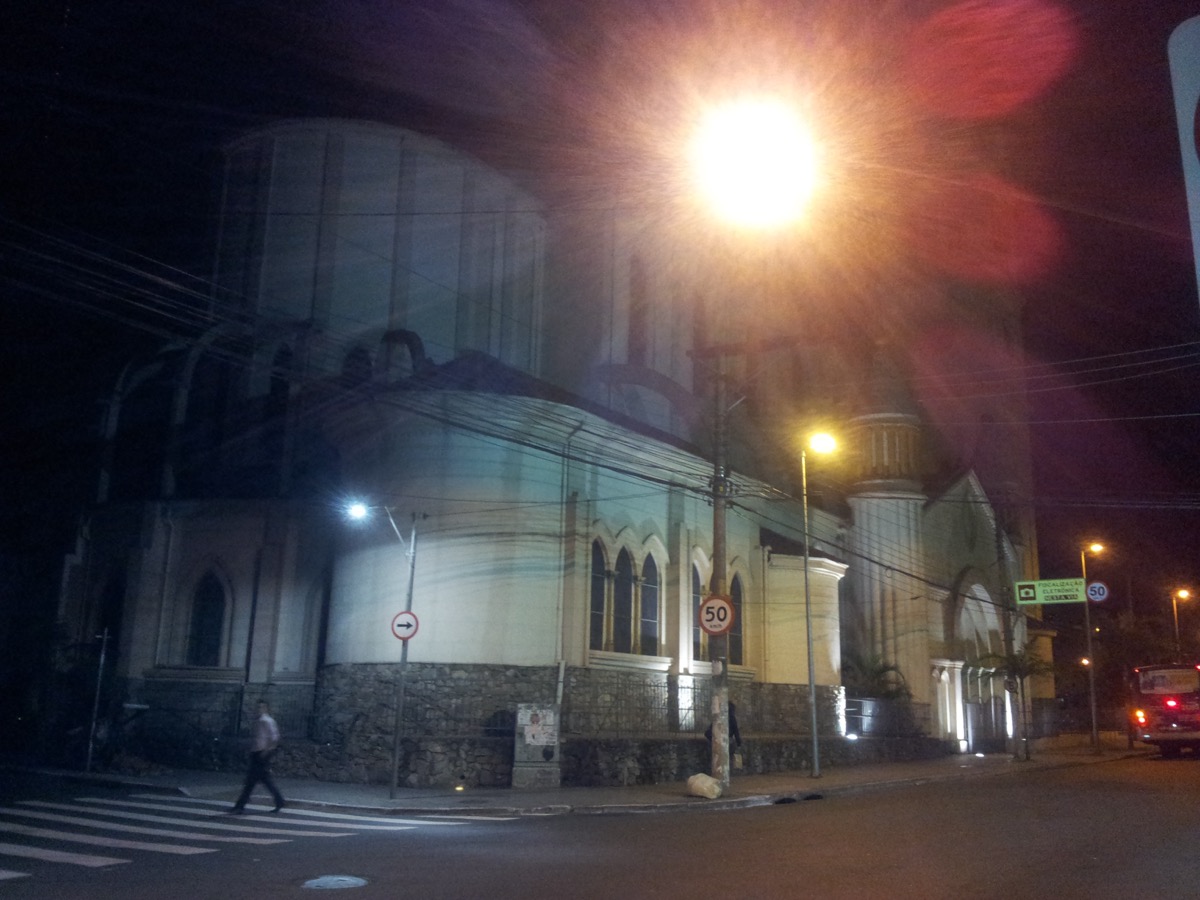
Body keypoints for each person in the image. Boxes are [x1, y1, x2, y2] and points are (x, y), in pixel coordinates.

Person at [230, 700, 284, 814]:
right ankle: (279, 801)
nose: (258, 709)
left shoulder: (267, 721)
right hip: (256, 753)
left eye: (260, 707)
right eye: (257, 707)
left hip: (261, 754)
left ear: (265, 708)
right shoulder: (259, 721)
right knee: (261, 781)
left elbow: (274, 738)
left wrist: (266, 752)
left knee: (252, 781)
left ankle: (240, 806)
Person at [704, 702, 743, 768]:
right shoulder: (731, 718)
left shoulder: (720, 717)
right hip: (725, 740)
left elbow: (708, 732)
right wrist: (739, 743)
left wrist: (713, 739)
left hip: (717, 740)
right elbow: (736, 731)